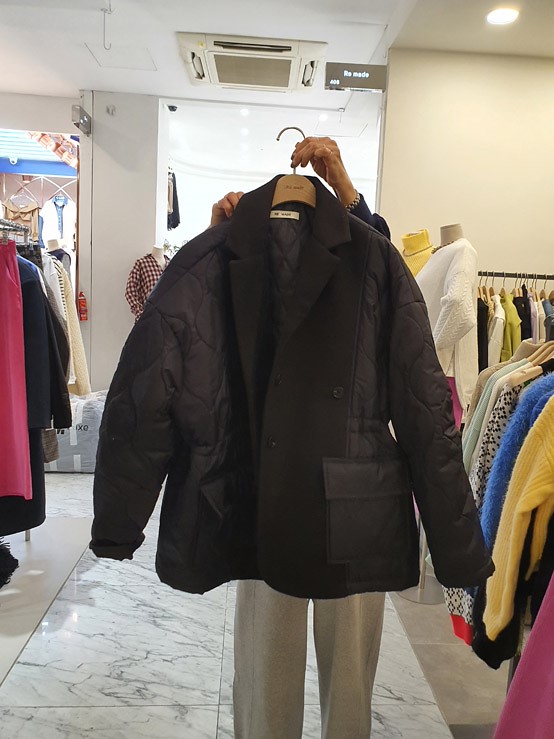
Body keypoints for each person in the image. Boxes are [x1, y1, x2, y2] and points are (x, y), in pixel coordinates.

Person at [91, 137, 492, 739]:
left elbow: (145, 395)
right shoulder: (227, 260)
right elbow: (424, 408)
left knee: (268, 680)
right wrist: (458, 548)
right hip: (332, 499)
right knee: (338, 687)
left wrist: (118, 522)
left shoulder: (358, 258)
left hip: (260, 493)